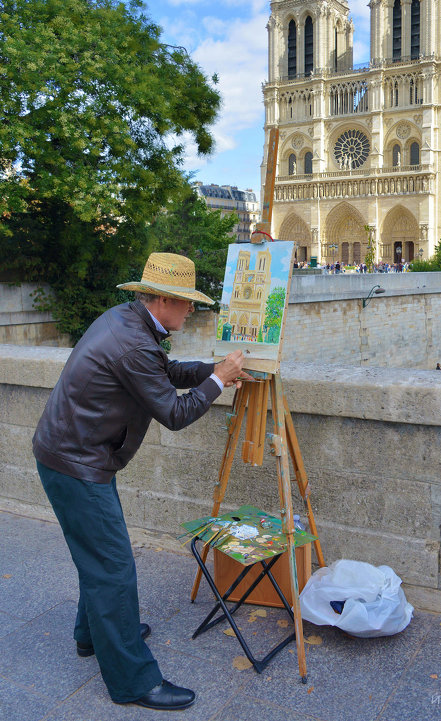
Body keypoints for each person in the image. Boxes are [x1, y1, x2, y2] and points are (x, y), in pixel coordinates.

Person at [32, 253, 252, 711]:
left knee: (100, 561)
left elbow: (164, 372)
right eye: (187, 303)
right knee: (113, 568)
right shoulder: (133, 342)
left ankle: (91, 638)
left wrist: (213, 372)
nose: (191, 310)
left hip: (72, 456)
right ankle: (132, 680)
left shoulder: (128, 321)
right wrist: (217, 381)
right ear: (163, 299)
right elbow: (174, 412)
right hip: (77, 463)